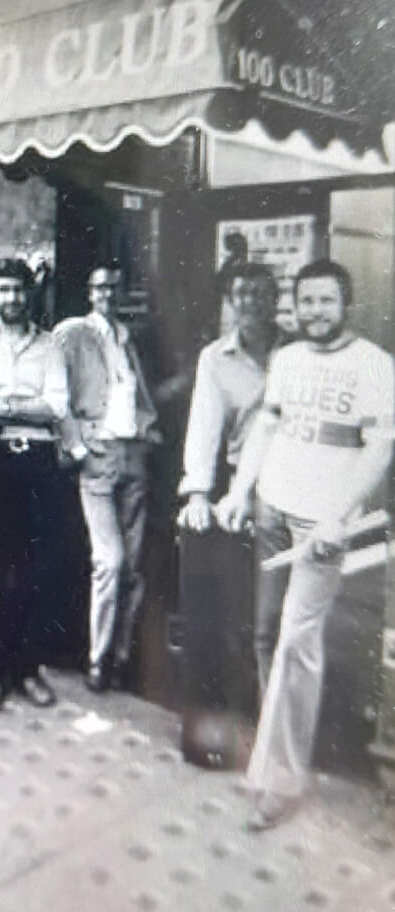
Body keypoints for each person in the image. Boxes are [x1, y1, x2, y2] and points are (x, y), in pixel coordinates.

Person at [216, 259, 394, 830]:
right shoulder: (287, 358)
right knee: (269, 635)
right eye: (307, 301)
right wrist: (241, 492)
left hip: (323, 527)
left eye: (326, 301)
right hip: (274, 508)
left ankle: (279, 778)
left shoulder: (374, 365)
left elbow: (378, 449)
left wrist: (340, 517)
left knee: (298, 640)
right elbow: (267, 426)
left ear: (346, 304)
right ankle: (282, 756)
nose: (316, 311)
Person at [175, 263, 284, 740]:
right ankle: (238, 720)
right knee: (238, 609)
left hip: (296, 483)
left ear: (277, 299)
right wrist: (199, 491)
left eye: (262, 294)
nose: (252, 303)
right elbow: (204, 427)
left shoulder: (298, 350)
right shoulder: (215, 358)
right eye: (242, 295)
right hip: (245, 487)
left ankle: (277, 717)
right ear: (230, 302)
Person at [0, 256, 68, 712]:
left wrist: (3, 408)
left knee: (36, 569)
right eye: (3, 290)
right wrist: (25, 404)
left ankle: (27, 669)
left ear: (31, 293)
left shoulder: (51, 345)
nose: (12, 299)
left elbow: (56, 407)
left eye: (19, 290)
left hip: (39, 462)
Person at [54, 267, 160, 693]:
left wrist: (148, 435)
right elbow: (55, 395)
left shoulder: (127, 337)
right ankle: (97, 659)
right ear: (88, 291)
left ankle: (119, 657)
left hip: (133, 454)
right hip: (98, 458)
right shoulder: (73, 333)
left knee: (133, 568)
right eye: (98, 287)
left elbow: (139, 394)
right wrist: (77, 446)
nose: (106, 295)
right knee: (109, 562)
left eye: (113, 289)